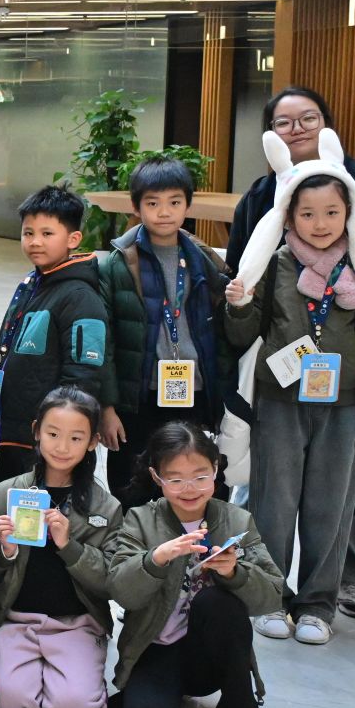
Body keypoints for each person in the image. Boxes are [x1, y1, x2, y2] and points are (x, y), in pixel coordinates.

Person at [226, 87, 355, 623]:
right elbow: (245, 293)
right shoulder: (266, 203)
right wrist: (238, 297)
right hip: (279, 393)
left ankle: (330, 594)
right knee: (269, 498)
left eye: (308, 118)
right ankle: (266, 592)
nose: (297, 129)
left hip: (343, 397)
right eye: (283, 122)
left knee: (337, 502)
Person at [105, 423, 280, 708]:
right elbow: (121, 592)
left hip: (210, 657)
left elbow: (272, 595)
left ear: (215, 469)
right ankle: (156, 695)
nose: (189, 489)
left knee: (217, 601)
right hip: (156, 648)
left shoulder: (236, 520)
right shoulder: (140, 520)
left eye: (200, 477)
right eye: (175, 479)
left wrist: (235, 573)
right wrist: (155, 559)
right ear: (157, 477)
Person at [95, 156, 236, 502]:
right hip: (139, 396)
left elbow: (224, 334)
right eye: (152, 203)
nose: (164, 212)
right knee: (133, 486)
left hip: (196, 392)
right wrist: (107, 407)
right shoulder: (118, 263)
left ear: (188, 205)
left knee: (196, 482)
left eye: (174, 202)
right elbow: (106, 340)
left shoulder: (206, 260)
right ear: (136, 207)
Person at [0, 387, 122, 708]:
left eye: (76, 438)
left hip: (76, 623)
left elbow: (111, 579)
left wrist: (69, 546)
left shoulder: (105, 507)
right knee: (9, 700)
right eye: (53, 434)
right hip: (18, 619)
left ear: (93, 442)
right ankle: (37, 669)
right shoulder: (7, 492)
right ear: (36, 432)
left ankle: (72, 671)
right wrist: (4, 549)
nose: (62, 447)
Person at [0, 185, 110, 485]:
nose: (35, 241)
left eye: (47, 233)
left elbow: (84, 374)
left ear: (73, 239)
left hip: (51, 442)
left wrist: (59, 432)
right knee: (10, 503)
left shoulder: (80, 296)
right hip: (22, 431)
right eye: (28, 233)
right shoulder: (34, 282)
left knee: (43, 507)